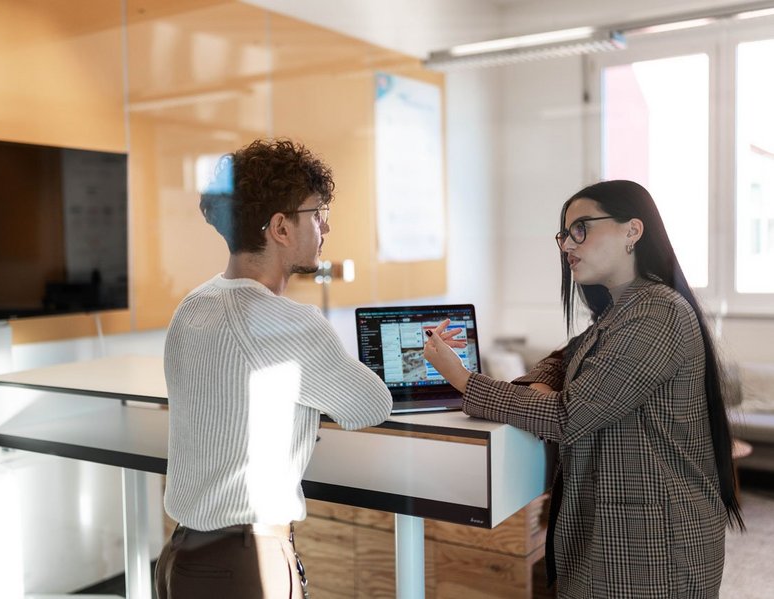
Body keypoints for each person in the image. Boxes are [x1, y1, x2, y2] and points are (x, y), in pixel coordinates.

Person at [423, 180, 743, 598]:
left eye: (582, 229)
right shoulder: (621, 312)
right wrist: (541, 382)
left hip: (654, 547)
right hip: (621, 537)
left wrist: (464, 380)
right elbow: (564, 357)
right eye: (564, 235)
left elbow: (569, 416)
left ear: (632, 231)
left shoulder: (657, 311)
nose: (567, 245)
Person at [155, 138, 393, 599]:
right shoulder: (290, 323)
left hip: (180, 557)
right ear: (280, 227)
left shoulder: (193, 305)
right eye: (316, 213)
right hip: (245, 563)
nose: (324, 226)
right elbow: (372, 404)